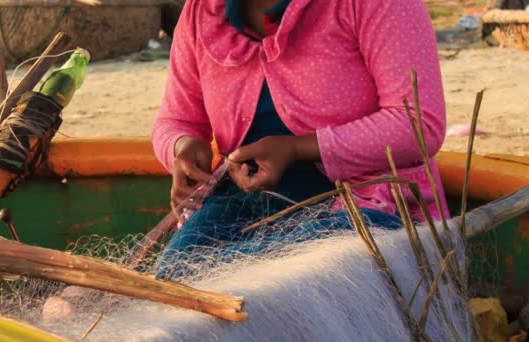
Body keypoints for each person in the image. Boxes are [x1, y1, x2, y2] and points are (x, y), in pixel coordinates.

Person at [151, 0, 449, 279]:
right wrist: (183, 146)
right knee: (175, 279)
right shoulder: (201, 12)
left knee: (258, 280)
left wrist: (294, 149)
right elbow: (176, 121)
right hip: (239, 204)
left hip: (365, 202)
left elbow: (419, 124)